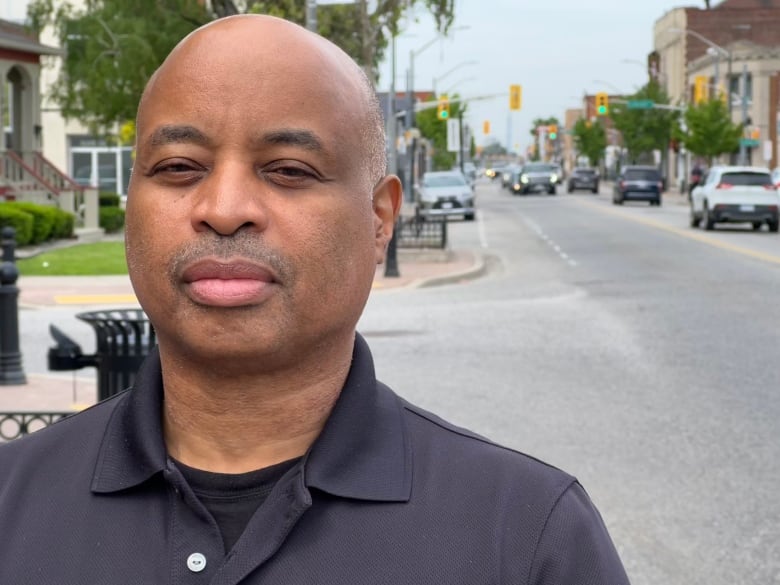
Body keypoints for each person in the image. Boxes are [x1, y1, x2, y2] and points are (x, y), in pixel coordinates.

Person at [0, 14, 630, 584]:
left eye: (288, 170)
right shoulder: (13, 503)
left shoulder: (524, 539)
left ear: (379, 219)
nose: (224, 211)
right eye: (178, 167)